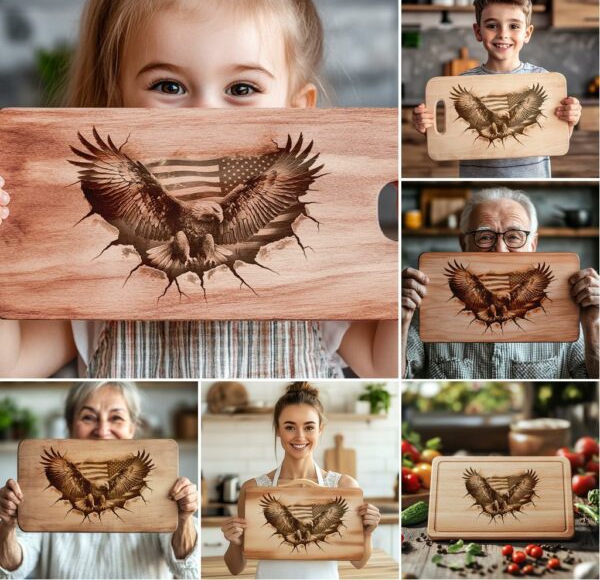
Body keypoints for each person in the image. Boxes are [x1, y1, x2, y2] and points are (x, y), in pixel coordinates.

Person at [0, 0, 398, 379]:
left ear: (300, 111)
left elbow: (385, 366)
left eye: (241, 88)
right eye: (168, 86)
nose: (205, 114)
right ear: (115, 102)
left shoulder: (320, 256)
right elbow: (11, 365)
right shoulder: (90, 260)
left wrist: (401, 266)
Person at [0, 381, 198, 579]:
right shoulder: (40, 488)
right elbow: (12, 570)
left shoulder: (159, 484)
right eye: (88, 417)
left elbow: (187, 569)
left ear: (133, 428)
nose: (103, 430)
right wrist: (7, 527)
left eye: (116, 418)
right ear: (69, 427)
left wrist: (184, 518)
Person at [401, 187, 599, 379]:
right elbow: (398, 375)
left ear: (533, 244)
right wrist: (401, 319)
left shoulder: (570, 306)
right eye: (485, 237)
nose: (500, 249)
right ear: (463, 244)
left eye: (514, 237)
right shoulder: (426, 303)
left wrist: (593, 325)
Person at [411, 0, 582, 178]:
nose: (503, 34)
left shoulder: (544, 80)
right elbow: (451, 139)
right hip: (479, 183)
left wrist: (570, 120)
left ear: (527, 33)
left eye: (514, 26)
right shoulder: (463, 83)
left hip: (531, 180)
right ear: (478, 31)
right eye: (492, 25)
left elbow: (554, 138)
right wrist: (427, 129)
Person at [220, 382, 381, 579]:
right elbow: (235, 568)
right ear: (278, 430)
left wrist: (367, 534)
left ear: (320, 430)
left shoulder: (344, 488)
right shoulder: (254, 490)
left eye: (309, 427)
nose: (300, 436)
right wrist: (234, 541)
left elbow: (359, 562)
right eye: (290, 427)